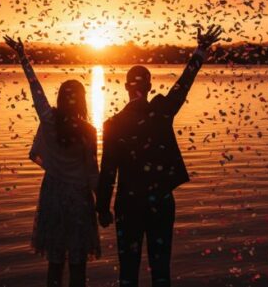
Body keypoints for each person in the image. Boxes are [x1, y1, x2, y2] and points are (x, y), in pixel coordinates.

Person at [95, 25, 224, 287]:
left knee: (128, 272)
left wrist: (102, 209)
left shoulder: (113, 124)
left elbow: (108, 171)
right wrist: (200, 51)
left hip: (128, 205)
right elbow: (182, 86)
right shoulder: (162, 111)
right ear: (151, 86)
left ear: (125, 87)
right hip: (160, 202)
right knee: (161, 269)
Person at [4, 36, 101, 287]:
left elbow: (35, 87)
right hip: (79, 199)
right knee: (78, 265)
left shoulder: (49, 120)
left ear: (60, 98)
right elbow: (92, 173)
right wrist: (102, 205)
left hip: (54, 195)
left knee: (55, 264)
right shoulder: (88, 131)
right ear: (81, 101)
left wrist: (22, 56)